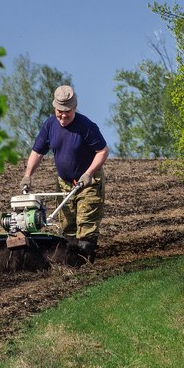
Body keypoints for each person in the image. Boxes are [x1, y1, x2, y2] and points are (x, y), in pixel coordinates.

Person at [19, 84, 108, 261]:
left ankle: (86, 261)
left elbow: (102, 151)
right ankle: (71, 266)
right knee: (68, 230)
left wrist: (89, 173)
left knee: (85, 232)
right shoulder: (50, 125)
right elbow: (37, 152)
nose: (63, 115)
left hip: (88, 182)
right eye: (60, 111)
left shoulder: (86, 126)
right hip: (64, 184)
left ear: (74, 108)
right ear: (55, 108)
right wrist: (28, 175)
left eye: (67, 111)